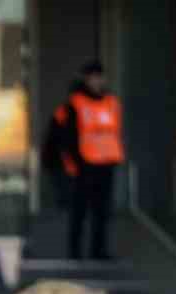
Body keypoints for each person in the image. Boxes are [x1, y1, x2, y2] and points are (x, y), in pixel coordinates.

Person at [51, 62, 124, 260]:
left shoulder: (111, 103)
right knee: (80, 210)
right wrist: (71, 164)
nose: (97, 81)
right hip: (84, 165)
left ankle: (98, 251)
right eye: (93, 77)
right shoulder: (75, 104)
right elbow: (65, 137)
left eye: (100, 76)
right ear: (86, 79)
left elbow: (113, 132)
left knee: (102, 211)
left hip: (106, 164)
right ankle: (75, 251)